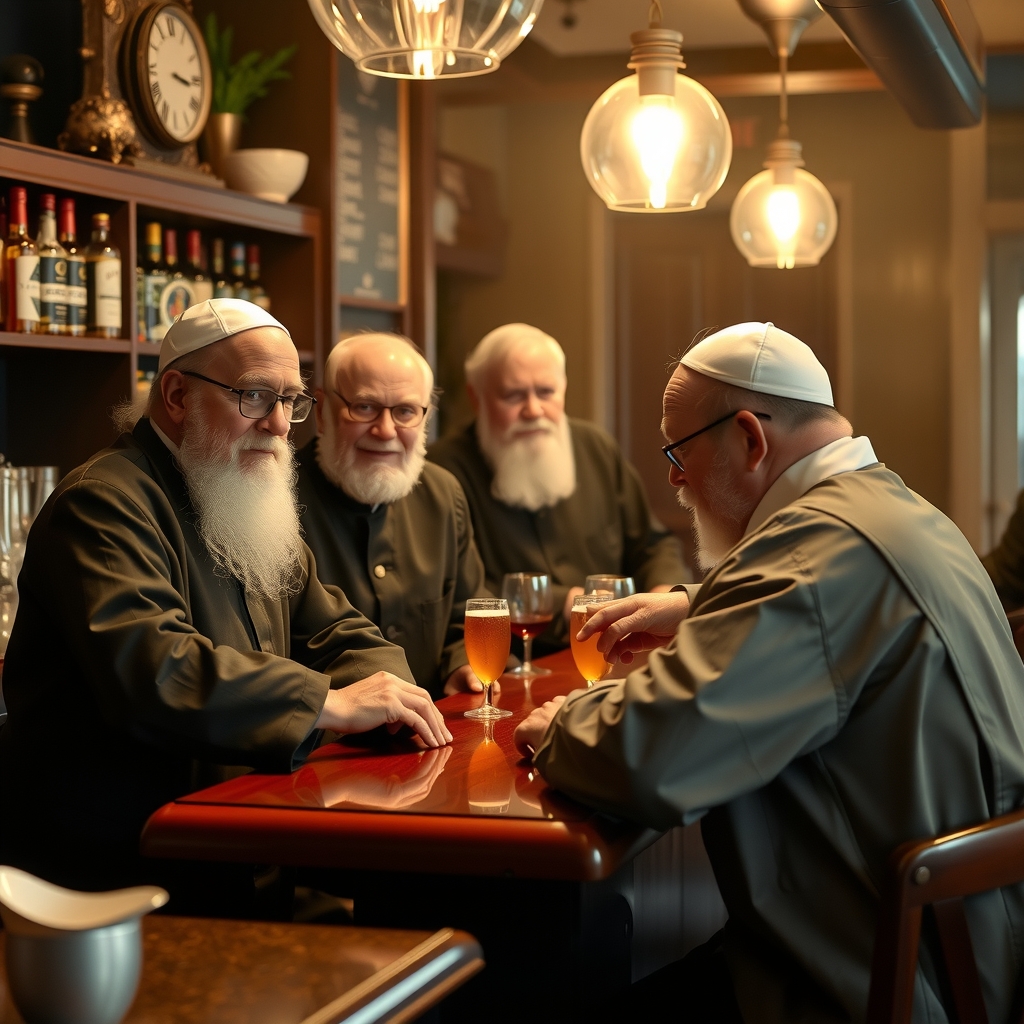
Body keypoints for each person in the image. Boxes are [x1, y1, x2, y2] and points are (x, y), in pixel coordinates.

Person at [514, 322, 1024, 1024]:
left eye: (679, 450)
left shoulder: (818, 546)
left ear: (750, 439)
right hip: (963, 946)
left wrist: (558, 728)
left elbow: (650, 757)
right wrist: (699, 605)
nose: (674, 477)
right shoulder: (896, 509)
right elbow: (843, 622)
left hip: (880, 982)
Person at [0, 299, 451, 892]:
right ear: (178, 395)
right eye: (255, 396)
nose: (280, 424)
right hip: (127, 872)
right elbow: (156, 670)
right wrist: (328, 704)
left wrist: (394, 701)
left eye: (291, 400)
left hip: (242, 838)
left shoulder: (240, 491)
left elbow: (341, 632)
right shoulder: (103, 502)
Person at [429, 322, 685, 650]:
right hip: (509, 659)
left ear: (563, 389)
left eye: (546, 392)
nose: (533, 410)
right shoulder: (444, 472)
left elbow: (652, 543)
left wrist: (663, 593)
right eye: (513, 395)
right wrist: (567, 601)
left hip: (616, 649)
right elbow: (458, 586)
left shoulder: (596, 448)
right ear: (476, 398)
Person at [296, 332, 490, 698]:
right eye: (364, 407)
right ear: (322, 411)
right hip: (322, 746)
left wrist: (461, 665)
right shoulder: (276, 503)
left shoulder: (444, 495)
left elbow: (467, 617)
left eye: (405, 412)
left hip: (431, 736)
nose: (385, 431)